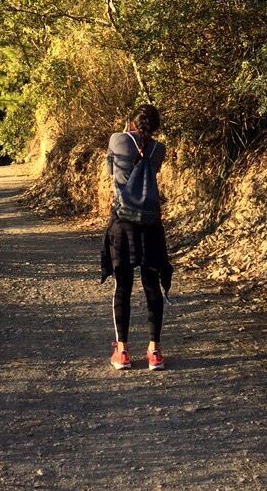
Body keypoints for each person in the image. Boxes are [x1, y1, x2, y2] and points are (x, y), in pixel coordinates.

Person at [100, 102, 172, 371]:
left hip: (123, 224)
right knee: (151, 285)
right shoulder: (158, 149)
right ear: (155, 127)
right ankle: (155, 352)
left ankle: (122, 351)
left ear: (131, 121)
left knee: (123, 286)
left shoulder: (117, 140)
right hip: (151, 226)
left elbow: (111, 172)